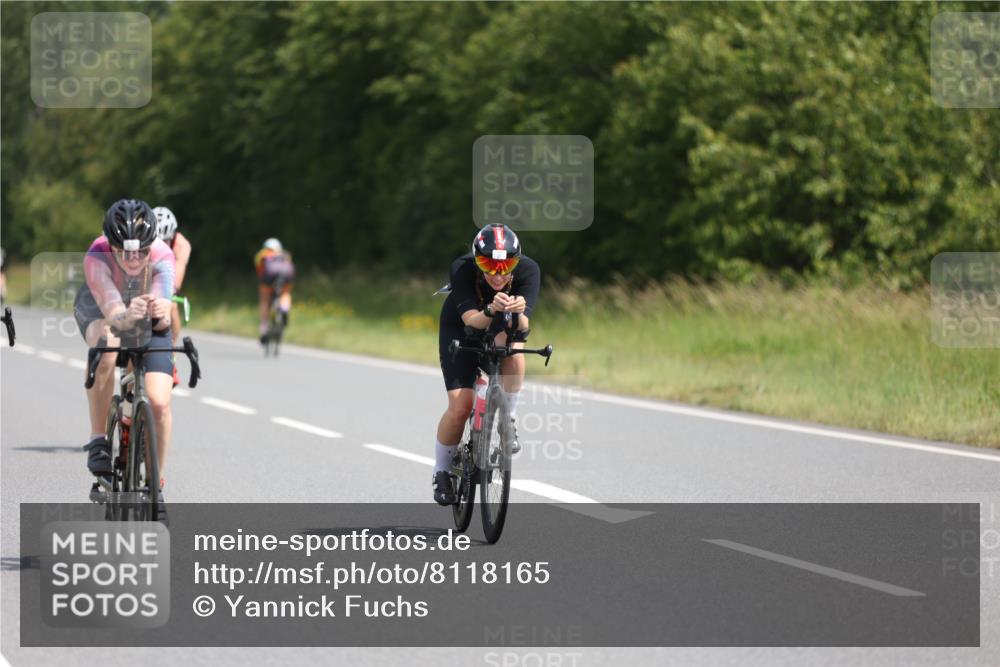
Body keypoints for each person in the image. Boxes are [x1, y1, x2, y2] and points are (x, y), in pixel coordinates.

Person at [432, 223, 540, 505]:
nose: (497, 274)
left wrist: (517, 311)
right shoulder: (462, 268)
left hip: (503, 323)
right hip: (461, 327)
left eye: (505, 266)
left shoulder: (529, 271)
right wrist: (492, 308)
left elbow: (525, 327)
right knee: (461, 406)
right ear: (476, 260)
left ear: (517, 261)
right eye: (488, 264)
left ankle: (509, 419)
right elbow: (471, 321)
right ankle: (441, 471)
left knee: (515, 349)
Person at [74, 199, 176, 493]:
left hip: (141, 308)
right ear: (111, 245)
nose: (133, 260)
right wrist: (125, 314)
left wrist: (158, 311)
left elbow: (162, 321)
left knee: (158, 401)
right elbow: (114, 313)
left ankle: (155, 482)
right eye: (124, 253)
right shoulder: (97, 255)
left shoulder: (162, 254)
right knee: (108, 349)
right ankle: (98, 441)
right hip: (100, 307)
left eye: (141, 252)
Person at [153, 206, 191, 386]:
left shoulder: (182, 245)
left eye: (166, 240)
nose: (162, 245)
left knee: (172, 305)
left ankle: (171, 355)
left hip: (167, 276)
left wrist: (172, 291)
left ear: (173, 236)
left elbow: (179, 270)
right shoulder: (143, 239)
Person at [254, 238, 295, 344]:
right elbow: (290, 268)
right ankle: (284, 309)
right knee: (285, 293)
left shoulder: (262, 254)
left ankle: (264, 330)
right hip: (285, 279)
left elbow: (259, 270)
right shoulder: (285, 255)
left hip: (268, 280)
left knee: (265, 301)